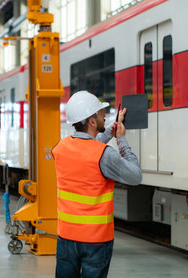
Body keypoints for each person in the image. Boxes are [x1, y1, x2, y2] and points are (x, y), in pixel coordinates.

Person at [52, 90, 142, 278]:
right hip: (96, 241)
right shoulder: (104, 154)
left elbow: (87, 145)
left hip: (66, 237)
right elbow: (135, 176)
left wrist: (111, 127)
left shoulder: (60, 148)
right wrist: (121, 139)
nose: (104, 116)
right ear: (92, 122)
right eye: (101, 114)